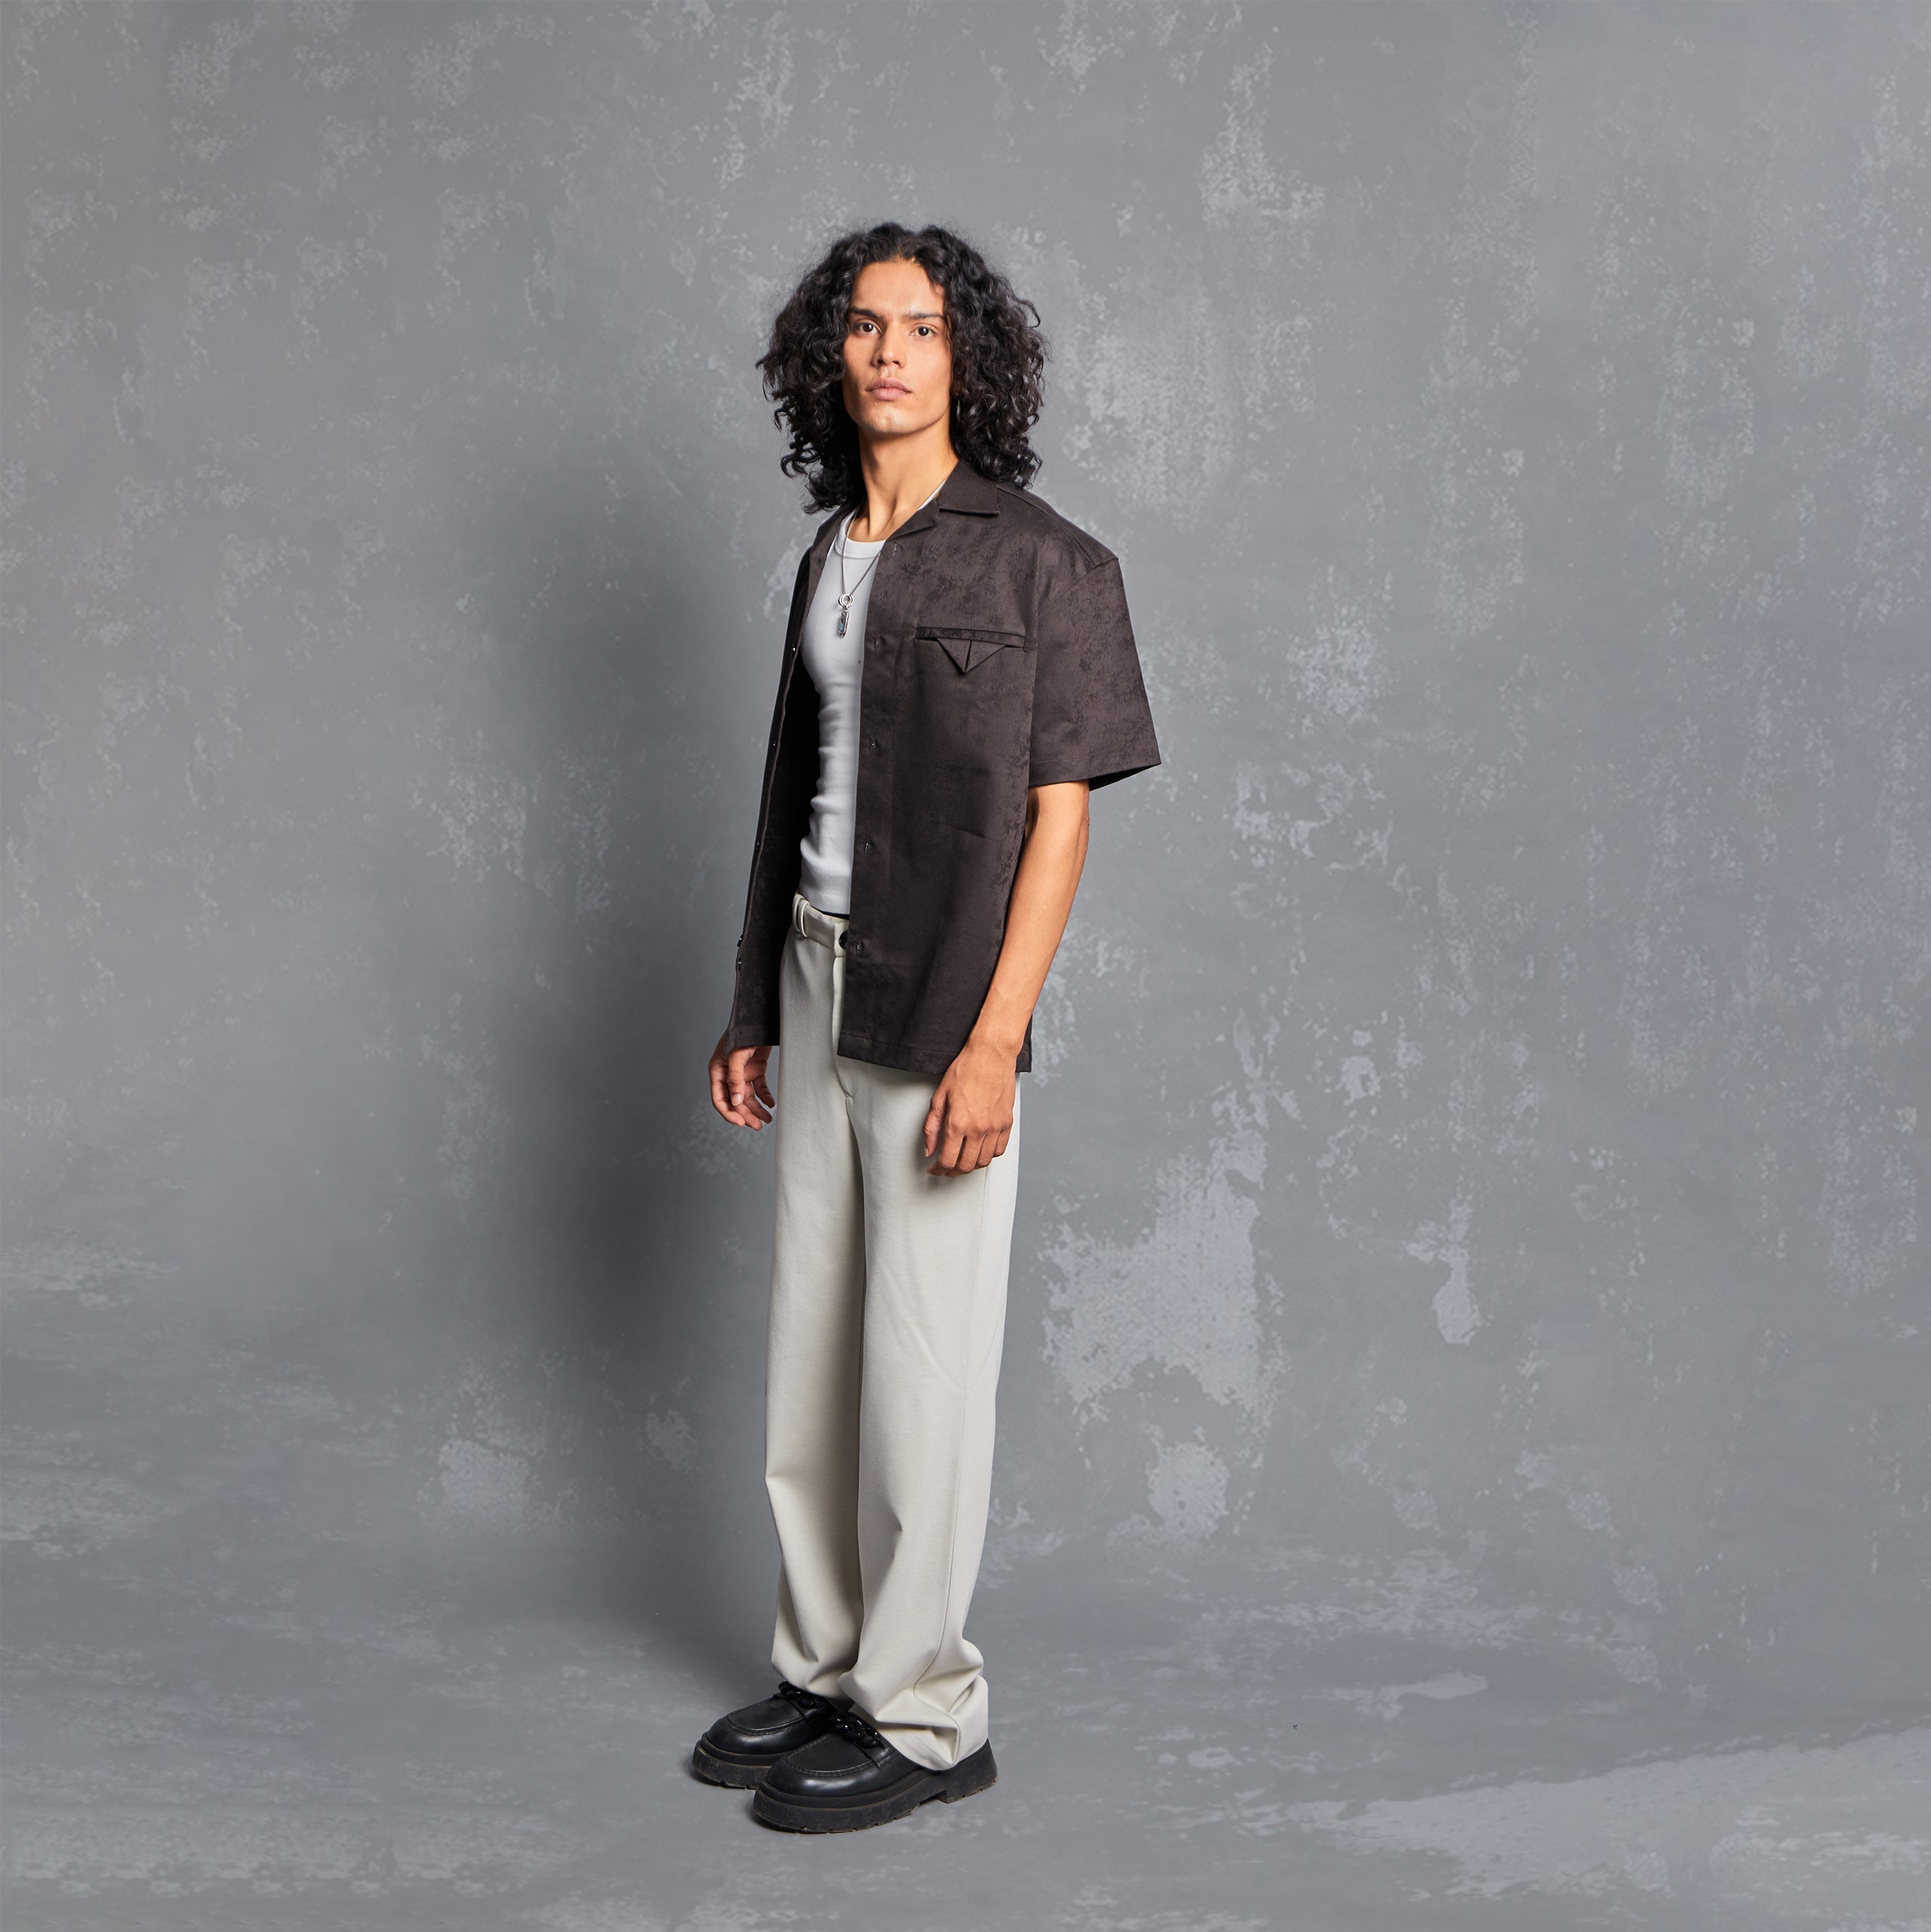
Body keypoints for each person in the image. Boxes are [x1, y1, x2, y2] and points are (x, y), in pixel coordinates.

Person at [694, 221, 1160, 1834]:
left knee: (921, 1369)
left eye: (923, 326)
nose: (890, 351)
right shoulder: (829, 555)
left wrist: (992, 1041)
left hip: (944, 1003)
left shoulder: (1049, 564)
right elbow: (792, 794)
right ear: (828, 357)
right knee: (812, 1358)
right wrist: (750, 1000)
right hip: (814, 977)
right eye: (864, 325)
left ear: (971, 360)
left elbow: (1060, 823)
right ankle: (826, 1665)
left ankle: (926, 1710)